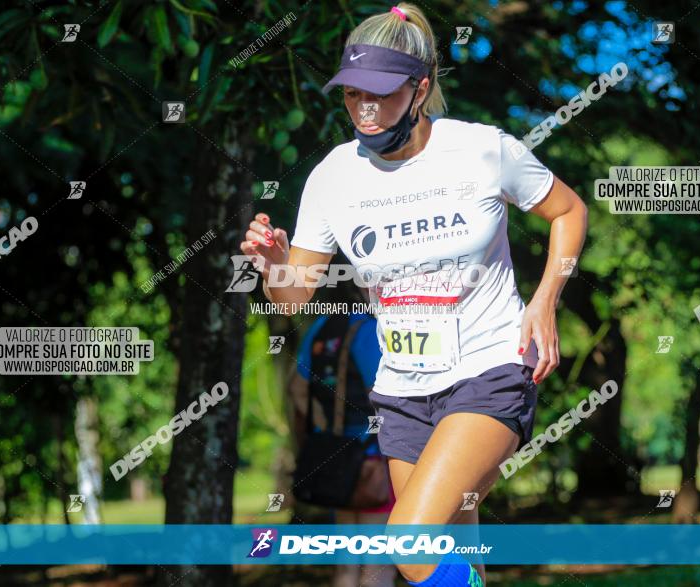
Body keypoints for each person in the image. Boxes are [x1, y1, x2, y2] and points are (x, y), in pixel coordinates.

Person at [241, 3, 588, 585]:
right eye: (352, 94)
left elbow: (569, 211)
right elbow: (291, 298)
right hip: (402, 390)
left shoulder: (481, 150)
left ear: (420, 88)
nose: (364, 109)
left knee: (409, 542)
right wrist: (275, 265)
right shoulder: (332, 177)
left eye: (380, 93)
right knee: (453, 545)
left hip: (491, 368)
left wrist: (546, 298)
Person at [287, 279, 396, 587]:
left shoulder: (321, 327)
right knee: (379, 567)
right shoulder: (370, 331)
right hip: (376, 460)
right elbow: (383, 398)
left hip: (337, 461)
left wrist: (326, 428)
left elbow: (296, 389)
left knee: (346, 566)